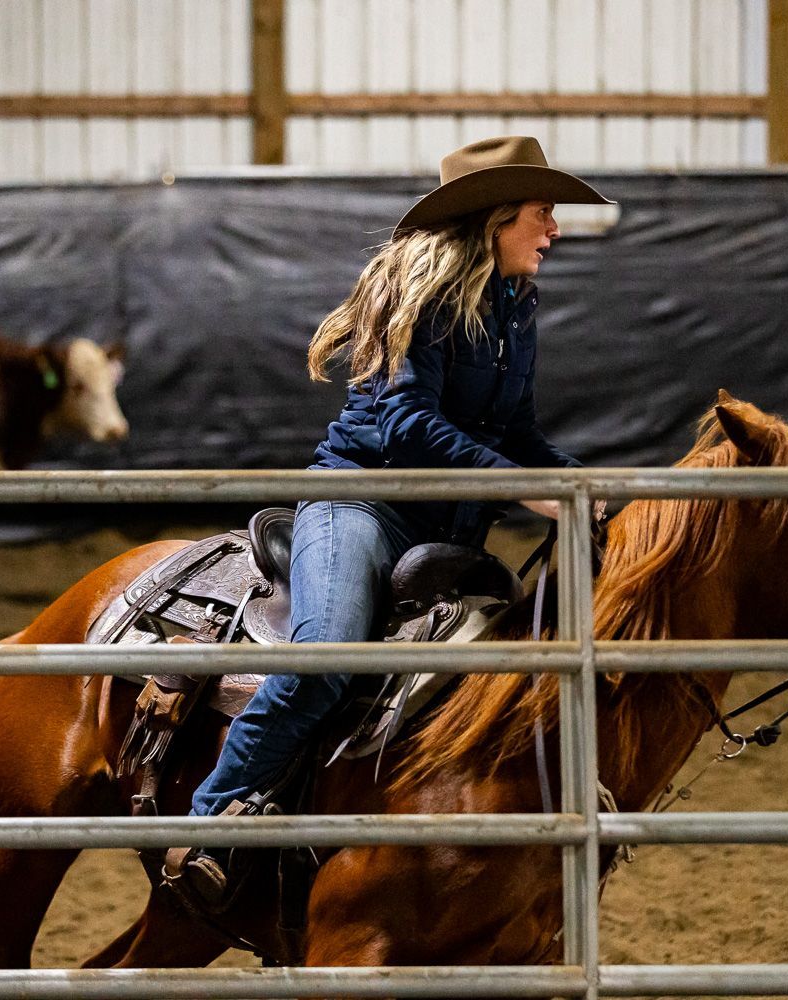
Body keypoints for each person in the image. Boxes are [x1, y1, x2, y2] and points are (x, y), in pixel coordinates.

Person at [164, 135, 612, 908]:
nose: (554, 230)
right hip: (359, 505)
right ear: (496, 217)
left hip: (447, 525)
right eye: (542, 213)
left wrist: (579, 481)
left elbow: (515, 433)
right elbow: (405, 423)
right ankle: (208, 821)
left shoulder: (516, 308)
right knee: (328, 655)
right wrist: (523, 486)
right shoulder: (423, 295)